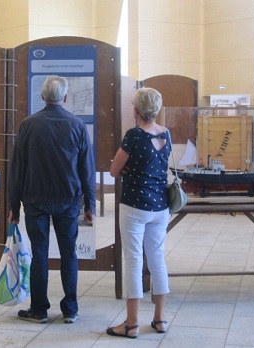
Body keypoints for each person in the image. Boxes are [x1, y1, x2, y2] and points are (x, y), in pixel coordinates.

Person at [8, 76, 96, 324]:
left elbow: (18, 168)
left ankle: (39, 309)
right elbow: (86, 169)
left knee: (39, 254)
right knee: (69, 254)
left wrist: (13, 206)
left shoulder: (28, 125)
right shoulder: (77, 125)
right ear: (65, 98)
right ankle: (70, 309)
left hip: (35, 200)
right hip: (68, 200)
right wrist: (90, 204)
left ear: (42, 97)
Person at [106, 87, 170, 338]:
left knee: (133, 260)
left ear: (136, 110)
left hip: (134, 205)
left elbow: (113, 169)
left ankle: (131, 324)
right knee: (157, 259)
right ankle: (160, 319)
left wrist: (129, 172)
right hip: (160, 206)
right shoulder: (166, 133)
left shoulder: (133, 135)